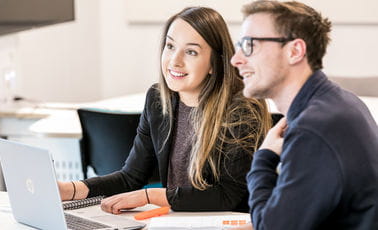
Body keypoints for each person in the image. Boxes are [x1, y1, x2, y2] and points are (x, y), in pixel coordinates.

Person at [59, 6, 271, 214]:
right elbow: (130, 177)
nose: (175, 61)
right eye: (170, 46)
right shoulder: (159, 100)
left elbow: (227, 196)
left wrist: (150, 196)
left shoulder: (241, 109)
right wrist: (68, 190)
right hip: (175, 221)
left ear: (214, 64)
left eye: (191, 52)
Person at [231, 1, 378, 229]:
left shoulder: (315, 128)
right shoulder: (342, 102)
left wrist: (264, 157)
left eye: (249, 45)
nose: (236, 59)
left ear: (295, 51)